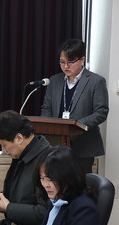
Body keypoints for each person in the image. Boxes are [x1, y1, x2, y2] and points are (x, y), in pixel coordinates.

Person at [40, 39, 109, 175]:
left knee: (79, 184)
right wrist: (47, 128)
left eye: (70, 62)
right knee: (57, 182)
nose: (66, 66)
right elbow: (46, 108)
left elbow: (101, 112)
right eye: (62, 62)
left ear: (82, 60)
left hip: (83, 145)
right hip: (56, 145)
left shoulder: (96, 81)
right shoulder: (54, 81)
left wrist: (76, 126)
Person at [0, 111, 51, 225]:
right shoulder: (21, 156)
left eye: (4, 145)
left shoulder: (46, 162)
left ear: (19, 138)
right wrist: (1, 198)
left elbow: (45, 213)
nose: (3, 150)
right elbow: (23, 197)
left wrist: (8, 208)